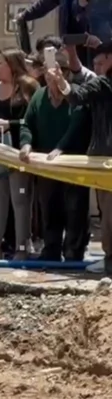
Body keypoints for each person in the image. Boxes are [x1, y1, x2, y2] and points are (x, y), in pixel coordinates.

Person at [18, 52, 91, 262]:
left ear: (65, 74)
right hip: (46, 166)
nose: (52, 81)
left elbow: (78, 124)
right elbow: (27, 124)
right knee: (49, 208)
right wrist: (26, 144)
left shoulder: (76, 95)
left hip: (73, 165)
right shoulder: (39, 96)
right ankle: (51, 249)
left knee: (75, 209)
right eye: (48, 76)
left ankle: (73, 252)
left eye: (56, 75)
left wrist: (61, 148)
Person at [53, 42, 112, 273]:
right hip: (104, 158)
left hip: (106, 158)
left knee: (109, 214)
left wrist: (61, 83)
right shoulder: (101, 83)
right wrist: (61, 83)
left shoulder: (103, 82)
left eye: (100, 62)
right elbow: (77, 95)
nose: (96, 68)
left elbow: (76, 95)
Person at [0, 48, 38, 260]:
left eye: (0, 63)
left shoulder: (28, 86)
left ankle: (22, 248)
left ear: (12, 65)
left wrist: (10, 125)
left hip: (18, 150)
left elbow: (33, 120)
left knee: (20, 198)